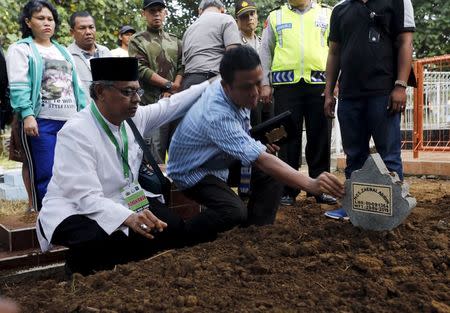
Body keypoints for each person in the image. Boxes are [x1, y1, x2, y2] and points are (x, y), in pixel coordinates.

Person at [36, 57, 212, 276]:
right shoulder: (76, 132)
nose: (137, 99)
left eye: (137, 91)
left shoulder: (132, 117)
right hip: (75, 209)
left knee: (172, 228)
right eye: (127, 92)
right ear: (100, 91)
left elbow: (170, 106)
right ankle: (77, 266)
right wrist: (128, 218)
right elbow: (85, 197)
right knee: (110, 239)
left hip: (125, 199)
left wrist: (209, 85)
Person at [167, 46, 344, 243]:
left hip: (218, 157)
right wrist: (310, 184)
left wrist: (255, 142)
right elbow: (261, 160)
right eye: (246, 87)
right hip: (193, 170)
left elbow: (251, 147)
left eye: (258, 83)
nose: (255, 93)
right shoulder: (216, 113)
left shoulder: (235, 90)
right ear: (226, 87)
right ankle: (179, 238)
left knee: (272, 176)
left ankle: (254, 238)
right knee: (233, 211)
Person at [323, 0, 415, 219]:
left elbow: (405, 42)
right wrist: (328, 93)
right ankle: (354, 209)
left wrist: (400, 85)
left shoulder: (398, 2)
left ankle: (393, 211)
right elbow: (334, 52)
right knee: (354, 156)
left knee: (389, 156)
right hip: (349, 95)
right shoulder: (340, 9)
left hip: (383, 93)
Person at [6, 0, 87, 210]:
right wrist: (28, 114)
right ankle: (47, 216)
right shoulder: (20, 49)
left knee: (72, 171)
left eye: (50, 19)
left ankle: (70, 214)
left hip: (70, 122)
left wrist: (85, 114)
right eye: (40, 18)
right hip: (42, 122)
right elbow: (19, 85)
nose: (46, 23)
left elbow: (76, 87)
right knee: (45, 173)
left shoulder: (63, 51)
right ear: (28, 22)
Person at [259, 0, 336, 207]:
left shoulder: (327, 14)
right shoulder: (275, 16)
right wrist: (265, 83)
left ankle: (320, 189)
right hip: (286, 87)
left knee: (320, 137)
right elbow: (265, 51)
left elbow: (337, 48)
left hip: (319, 85)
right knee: (285, 139)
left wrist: (336, 82)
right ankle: (287, 189)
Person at [128, 0, 183, 164]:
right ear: (144, 14)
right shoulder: (137, 40)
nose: (156, 14)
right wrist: (168, 85)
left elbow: (182, 66)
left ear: (165, 13)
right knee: (154, 159)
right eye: (152, 11)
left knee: (179, 155)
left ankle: (176, 189)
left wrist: (174, 88)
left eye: (160, 10)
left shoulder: (176, 41)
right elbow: (140, 69)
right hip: (152, 106)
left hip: (175, 104)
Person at [181, 0, 241, 89]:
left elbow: (184, 64)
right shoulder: (226, 19)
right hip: (213, 82)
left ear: (200, 10)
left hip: (188, 84)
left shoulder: (188, 30)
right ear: (222, 9)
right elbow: (233, 55)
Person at [235, 0, 272, 126]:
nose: (249, 18)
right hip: (248, 97)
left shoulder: (263, 42)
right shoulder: (234, 43)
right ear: (237, 22)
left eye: (252, 14)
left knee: (271, 134)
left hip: (267, 95)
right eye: (244, 16)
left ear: (257, 16)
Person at [67, 11, 111, 98]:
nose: (88, 32)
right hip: (82, 110)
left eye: (91, 27)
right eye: (82, 28)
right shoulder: (67, 56)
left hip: (108, 109)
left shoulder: (106, 52)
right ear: (72, 32)